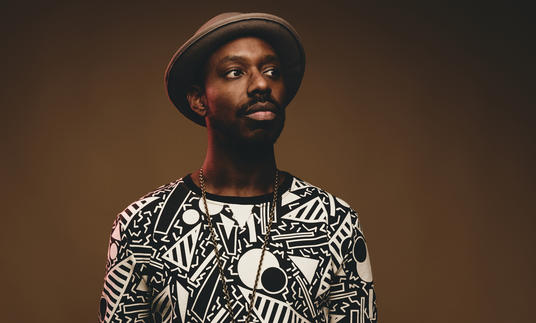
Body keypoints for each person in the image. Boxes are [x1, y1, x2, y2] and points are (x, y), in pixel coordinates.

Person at [98, 12, 377, 323]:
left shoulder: (333, 221)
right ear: (198, 99)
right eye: (234, 72)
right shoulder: (143, 224)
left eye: (272, 71)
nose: (261, 84)